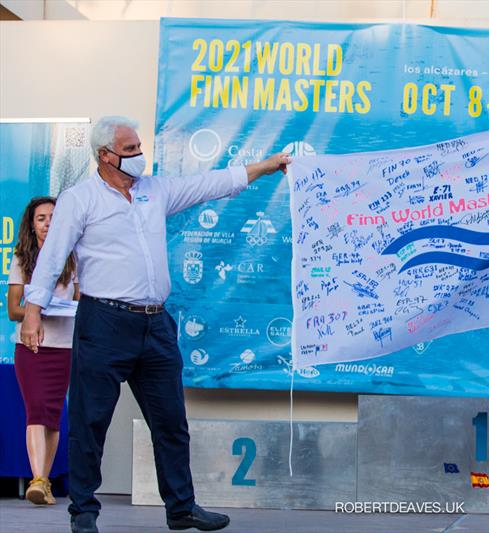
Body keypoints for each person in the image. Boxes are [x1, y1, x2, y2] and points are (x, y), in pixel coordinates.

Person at [19, 116, 290, 533]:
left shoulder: (155, 190)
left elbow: (210, 184)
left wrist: (263, 167)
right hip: (103, 322)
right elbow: (53, 256)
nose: (139, 157)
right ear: (105, 156)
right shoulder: (80, 199)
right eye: (129, 151)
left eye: (139, 147)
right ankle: (84, 513)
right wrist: (33, 313)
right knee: (91, 423)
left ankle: (181, 507)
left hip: (155, 325)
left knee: (170, 422)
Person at [7, 196, 79, 506]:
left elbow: (80, 302)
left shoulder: (73, 257)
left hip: (64, 346)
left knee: (52, 415)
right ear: (32, 224)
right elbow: (13, 309)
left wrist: (63, 308)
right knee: (36, 410)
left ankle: (44, 481)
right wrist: (37, 311)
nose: (47, 223)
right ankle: (37, 479)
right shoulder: (22, 258)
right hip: (32, 346)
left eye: (52, 217)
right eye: (41, 218)